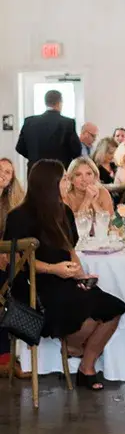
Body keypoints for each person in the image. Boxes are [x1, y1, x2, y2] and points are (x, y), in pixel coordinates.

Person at [3, 160, 125, 390]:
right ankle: (74, 348)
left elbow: (69, 249)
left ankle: (86, 366)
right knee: (83, 311)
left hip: (64, 280)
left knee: (114, 308)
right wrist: (54, 269)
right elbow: (17, 261)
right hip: (34, 285)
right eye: (64, 179)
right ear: (50, 184)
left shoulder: (64, 212)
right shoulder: (19, 216)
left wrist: (79, 273)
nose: (67, 184)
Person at [15, 90, 81, 171]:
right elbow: (76, 151)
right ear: (60, 103)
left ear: (45, 102)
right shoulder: (68, 123)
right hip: (59, 171)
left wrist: (33, 157)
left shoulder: (29, 122)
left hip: (35, 171)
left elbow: (20, 148)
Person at [0, 158, 25, 372]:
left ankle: (19, 353)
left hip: (8, 260)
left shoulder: (14, 203)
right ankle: (5, 355)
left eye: (8, 172)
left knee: (19, 284)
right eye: (0, 169)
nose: (3, 174)